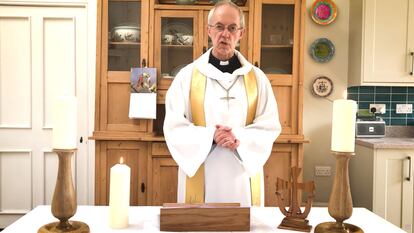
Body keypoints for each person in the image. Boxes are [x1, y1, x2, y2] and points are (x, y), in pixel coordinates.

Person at [163, 0, 281, 207]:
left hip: (242, 174)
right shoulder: (187, 76)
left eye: (232, 28)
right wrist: (211, 136)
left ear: (241, 33)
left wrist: (237, 137)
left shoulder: (257, 78)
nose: (225, 34)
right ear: (209, 30)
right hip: (202, 170)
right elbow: (173, 125)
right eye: (219, 26)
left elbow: (269, 125)